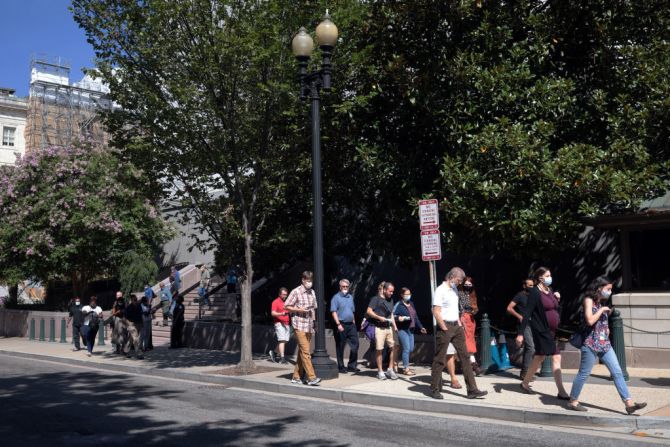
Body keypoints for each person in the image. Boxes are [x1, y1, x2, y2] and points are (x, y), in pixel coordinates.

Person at [567, 277, 647, 414]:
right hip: (591, 344)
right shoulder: (589, 300)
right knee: (584, 374)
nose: (609, 292)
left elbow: (599, 323)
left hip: (605, 344)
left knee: (617, 372)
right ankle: (572, 401)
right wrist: (602, 310)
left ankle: (628, 403)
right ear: (599, 288)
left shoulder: (600, 302)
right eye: (608, 289)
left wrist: (606, 326)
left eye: (610, 289)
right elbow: (590, 320)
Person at [430, 267, 487, 400]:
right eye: (459, 280)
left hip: (456, 326)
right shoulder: (440, 290)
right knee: (440, 358)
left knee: (465, 357)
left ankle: (472, 389)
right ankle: (434, 389)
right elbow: (436, 310)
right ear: (452, 276)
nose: (460, 282)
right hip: (445, 326)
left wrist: (459, 324)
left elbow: (454, 309)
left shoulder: (455, 289)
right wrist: (444, 327)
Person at [515, 267, 569, 399]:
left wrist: (557, 298)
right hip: (541, 329)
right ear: (540, 278)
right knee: (556, 356)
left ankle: (525, 383)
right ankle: (561, 391)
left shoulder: (549, 290)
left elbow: (554, 307)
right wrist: (520, 333)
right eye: (548, 275)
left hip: (551, 331)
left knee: (539, 357)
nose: (550, 277)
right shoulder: (534, 292)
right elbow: (527, 312)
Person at [284, 271, 321, 386]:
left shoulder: (312, 292)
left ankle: (296, 376)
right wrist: (300, 310)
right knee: (306, 351)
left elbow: (313, 309)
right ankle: (311, 377)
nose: (309, 283)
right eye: (307, 280)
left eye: (311, 281)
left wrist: (315, 323)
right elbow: (287, 306)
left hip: (309, 325)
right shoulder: (296, 291)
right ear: (303, 280)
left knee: (302, 352)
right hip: (298, 324)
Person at [446, 276, 481, 384]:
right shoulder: (459, 293)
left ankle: (467, 364)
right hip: (462, 318)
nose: (468, 286)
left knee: (469, 341)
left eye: (470, 284)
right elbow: (457, 307)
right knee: (465, 342)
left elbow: (475, 307)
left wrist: (474, 311)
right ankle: (473, 365)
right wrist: (460, 320)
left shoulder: (472, 294)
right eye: (466, 284)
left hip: (470, 319)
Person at [367, 281, 399, 381]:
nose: (391, 293)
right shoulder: (376, 299)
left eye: (393, 291)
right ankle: (380, 371)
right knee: (379, 349)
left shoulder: (391, 300)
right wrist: (379, 317)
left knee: (394, 347)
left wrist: (395, 326)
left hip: (389, 327)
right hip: (379, 328)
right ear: (384, 290)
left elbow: (391, 314)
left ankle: (390, 369)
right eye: (390, 291)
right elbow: (369, 311)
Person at [393, 287, 426, 375]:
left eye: (409, 294)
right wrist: (399, 318)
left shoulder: (411, 303)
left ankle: (395, 361)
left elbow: (415, 317)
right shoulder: (399, 305)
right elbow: (393, 316)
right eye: (406, 294)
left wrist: (421, 327)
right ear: (402, 295)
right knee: (407, 349)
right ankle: (406, 369)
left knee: (410, 349)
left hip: (411, 330)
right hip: (402, 329)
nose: (408, 296)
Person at [507, 278, 536, 379]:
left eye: (533, 285)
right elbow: (509, 308)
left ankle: (526, 372)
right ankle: (525, 373)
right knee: (530, 347)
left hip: (534, 323)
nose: (531, 287)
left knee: (530, 348)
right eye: (529, 285)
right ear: (524, 286)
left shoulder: (534, 296)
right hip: (524, 325)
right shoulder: (520, 295)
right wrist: (519, 316)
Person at [331, 279, 359, 373]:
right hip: (341, 324)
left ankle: (352, 365)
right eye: (343, 286)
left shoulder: (350, 297)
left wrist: (354, 320)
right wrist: (338, 324)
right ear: (340, 287)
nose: (345, 288)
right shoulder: (336, 297)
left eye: (347, 286)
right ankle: (341, 366)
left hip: (351, 325)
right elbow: (334, 312)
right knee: (340, 346)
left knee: (355, 344)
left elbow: (352, 311)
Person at [269, 287, 290, 364]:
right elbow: (273, 313)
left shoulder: (287, 302)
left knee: (285, 340)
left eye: (286, 295)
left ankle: (274, 352)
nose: (285, 296)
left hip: (286, 323)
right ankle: (282, 358)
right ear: (279, 294)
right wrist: (281, 314)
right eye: (284, 294)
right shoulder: (275, 302)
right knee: (282, 340)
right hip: (279, 323)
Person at [124, 294, 144, 359]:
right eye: (134, 300)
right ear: (131, 300)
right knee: (136, 339)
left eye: (136, 299)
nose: (135, 301)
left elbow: (141, 315)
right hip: (131, 324)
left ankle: (126, 350)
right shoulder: (129, 307)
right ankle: (139, 353)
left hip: (138, 324)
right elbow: (125, 317)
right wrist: (128, 324)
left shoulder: (139, 306)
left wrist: (142, 323)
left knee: (131, 339)